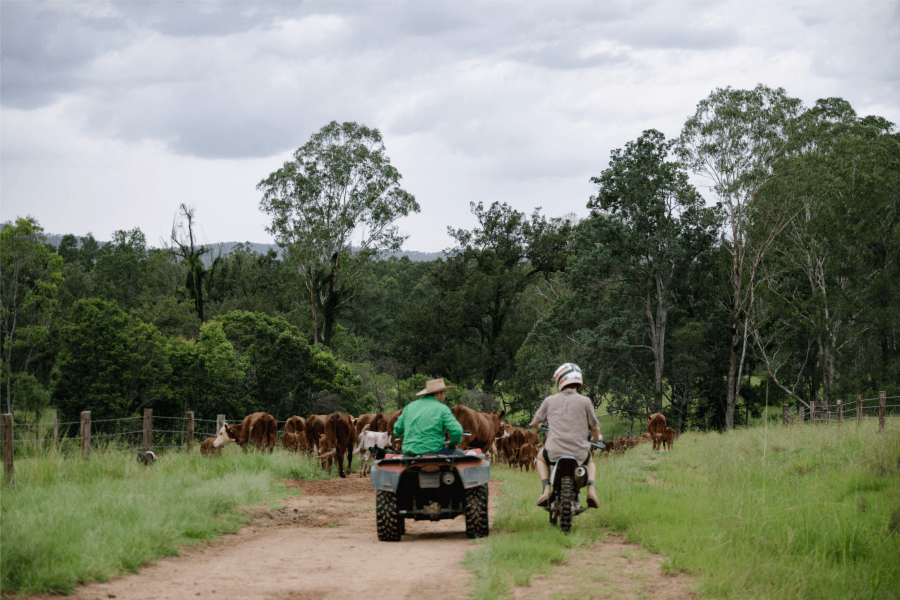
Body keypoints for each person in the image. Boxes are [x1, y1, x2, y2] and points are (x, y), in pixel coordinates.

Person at [529, 363, 601, 508]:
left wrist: (541, 426)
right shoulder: (586, 401)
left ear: (561, 380)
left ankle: (546, 489)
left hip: (554, 451)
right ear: (578, 382)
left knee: (540, 458)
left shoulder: (549, 400)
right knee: (590, 462)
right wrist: (595, 438)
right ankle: (591, 490)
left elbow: (534, 423)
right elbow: (595, 429)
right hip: (579, 452)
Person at [394, 378, 464, 455]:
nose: (445, 396)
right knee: (460, 454)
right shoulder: (442, 408)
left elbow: (397, 430)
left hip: (411, 453)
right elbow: (457, 431)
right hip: (436, 451)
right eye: (444, 393)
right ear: (438, 393)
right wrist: (452, 445)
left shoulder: (409, 407)